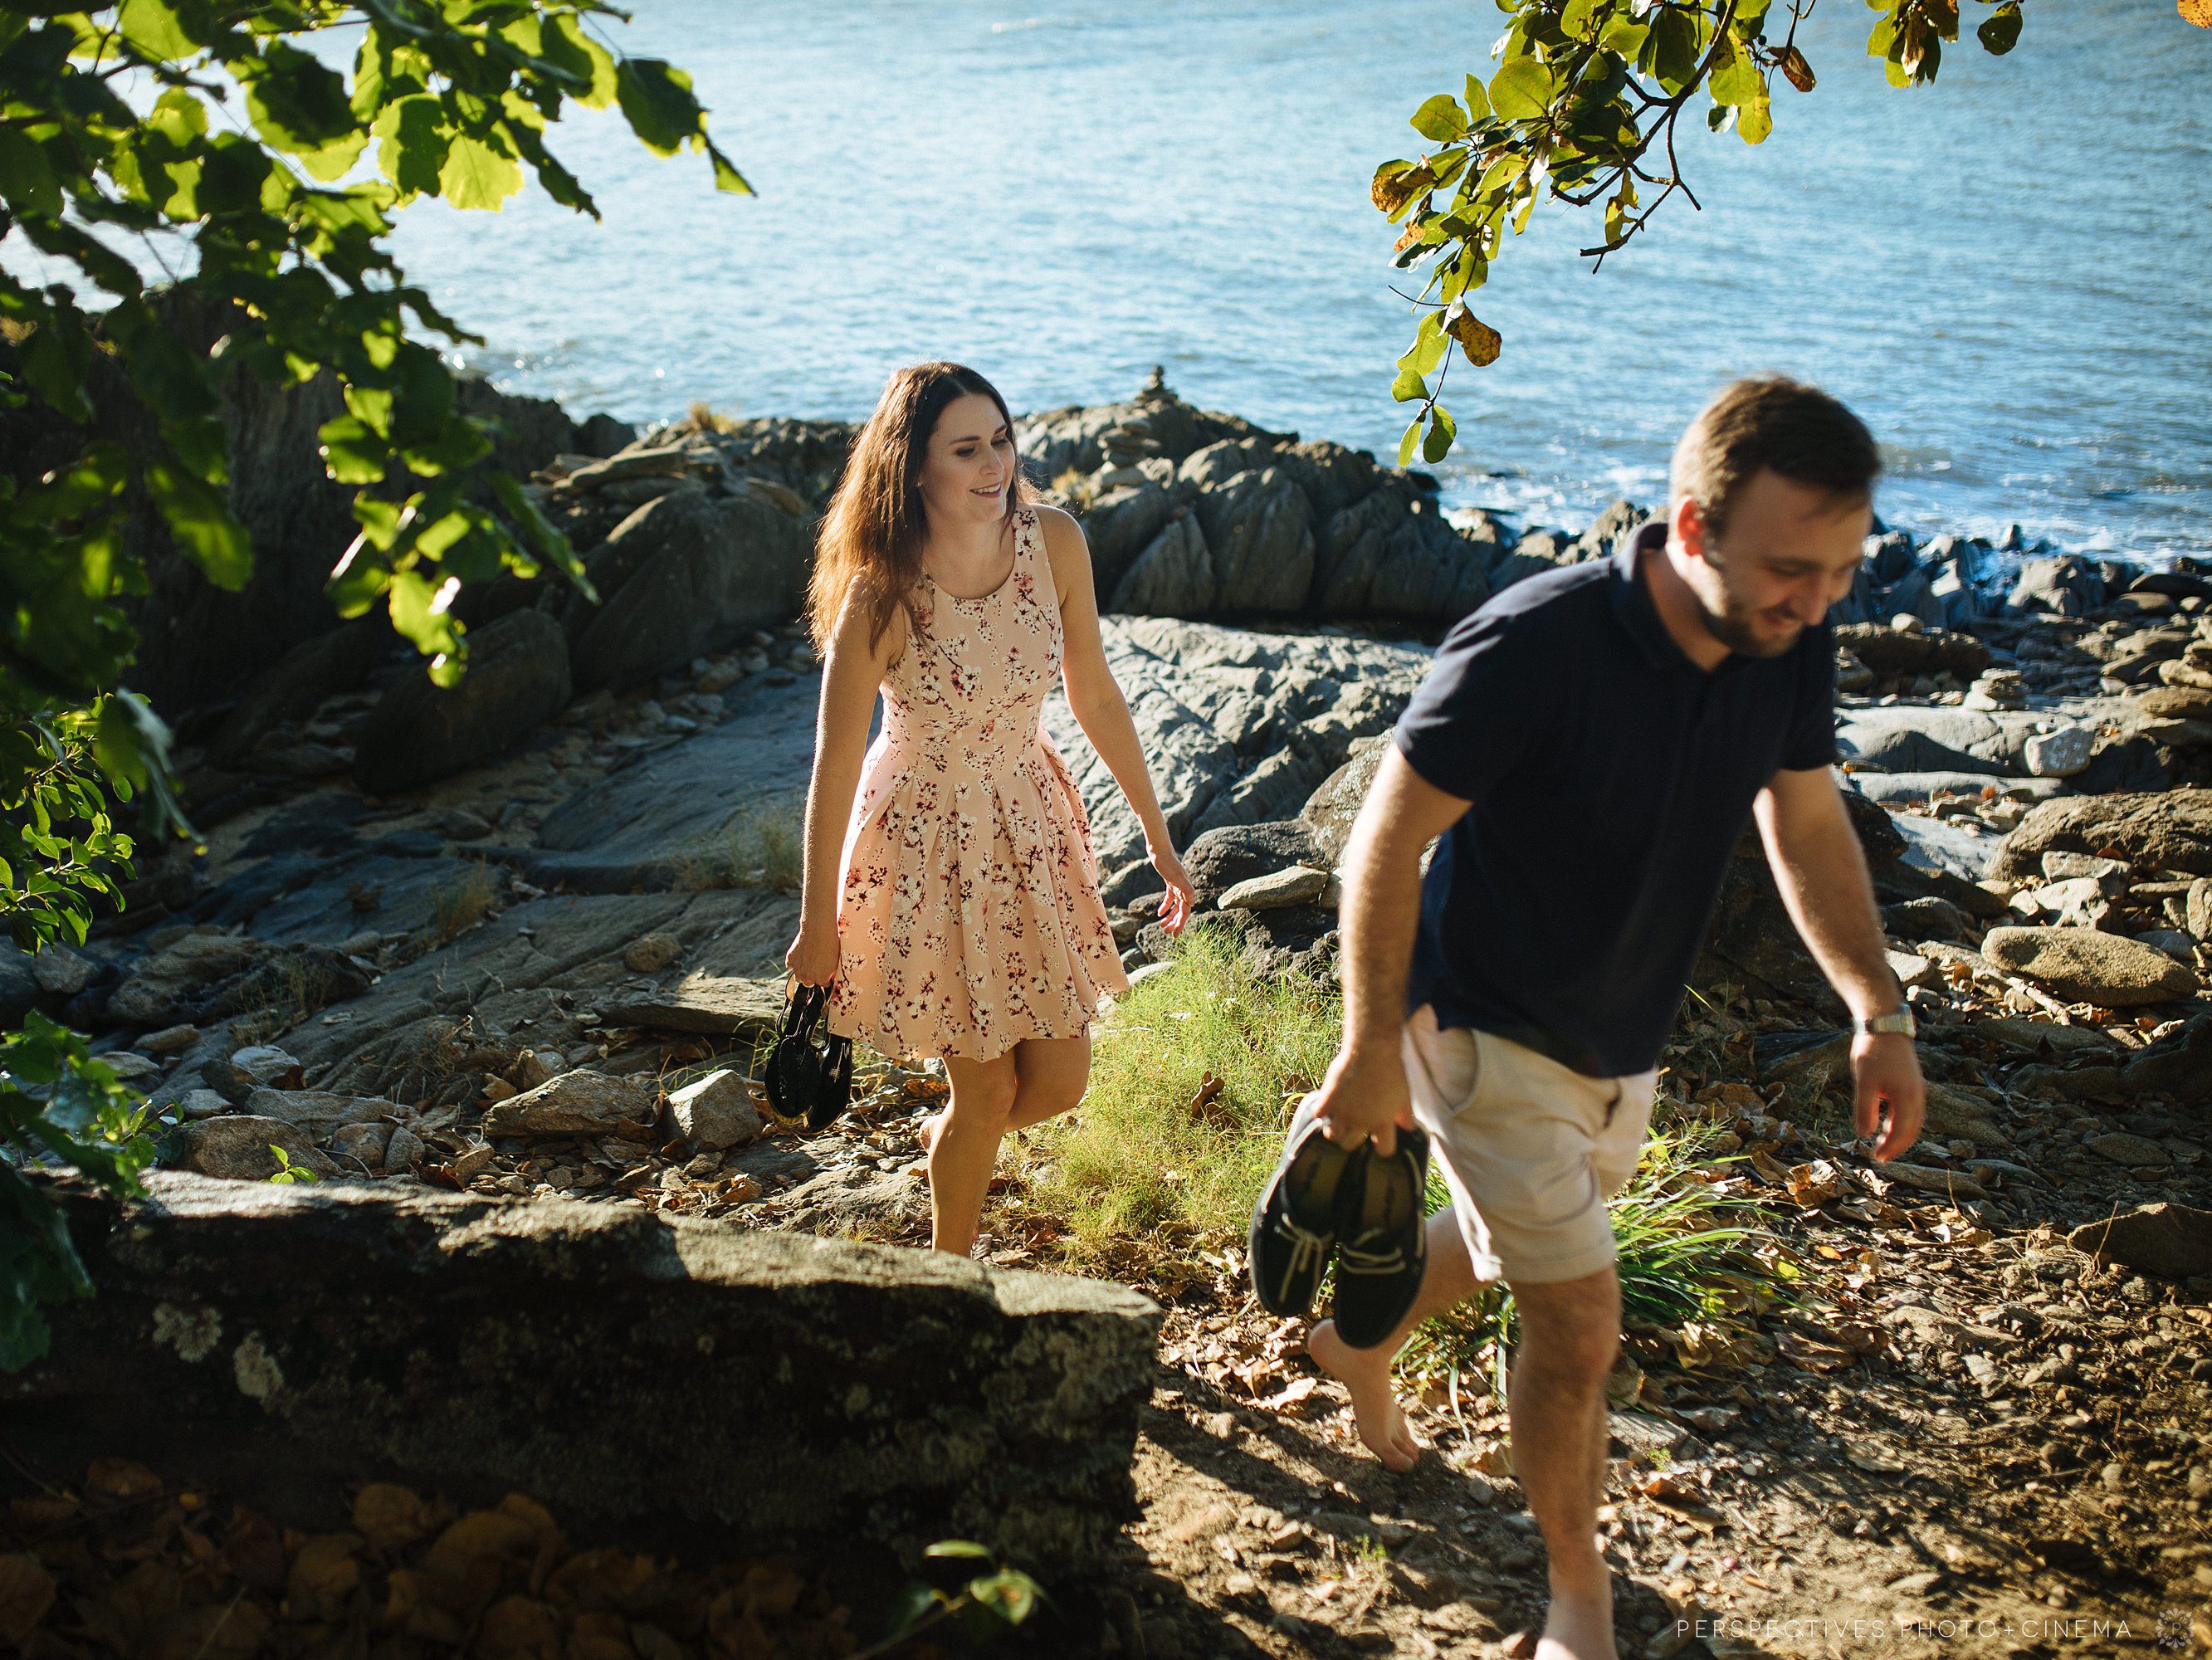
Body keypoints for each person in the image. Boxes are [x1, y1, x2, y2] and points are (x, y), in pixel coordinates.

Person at [1296, 376, 1926, 1660]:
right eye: (1792, 570)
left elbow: (1804, 820)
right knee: (1579, 1320)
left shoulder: (1785, 638)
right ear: (1691, 532)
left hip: (1617, 1030)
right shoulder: (1533, 645)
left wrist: (1880, 1007)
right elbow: (1385, 840)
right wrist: (1368, 1052)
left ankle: (1350, 1341)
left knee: (1500, 1245)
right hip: (1477, 1022)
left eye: (1842, 572)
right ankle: (1578, 1599)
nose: (1819, 603)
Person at [785, 362, 1198, 1256]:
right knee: (985, 1093)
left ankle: (947, 1148)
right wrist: (817, 922)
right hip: (926, 841)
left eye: (1001, 440)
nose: (993, 465)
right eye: (965, 448)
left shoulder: (1055, 543)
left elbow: (1093, 691)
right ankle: (950, 1281)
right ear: (913, 466)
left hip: (1027, 822)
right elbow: (832, 759)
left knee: (1056, 1083)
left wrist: (1160, 841)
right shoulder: (882, 589)